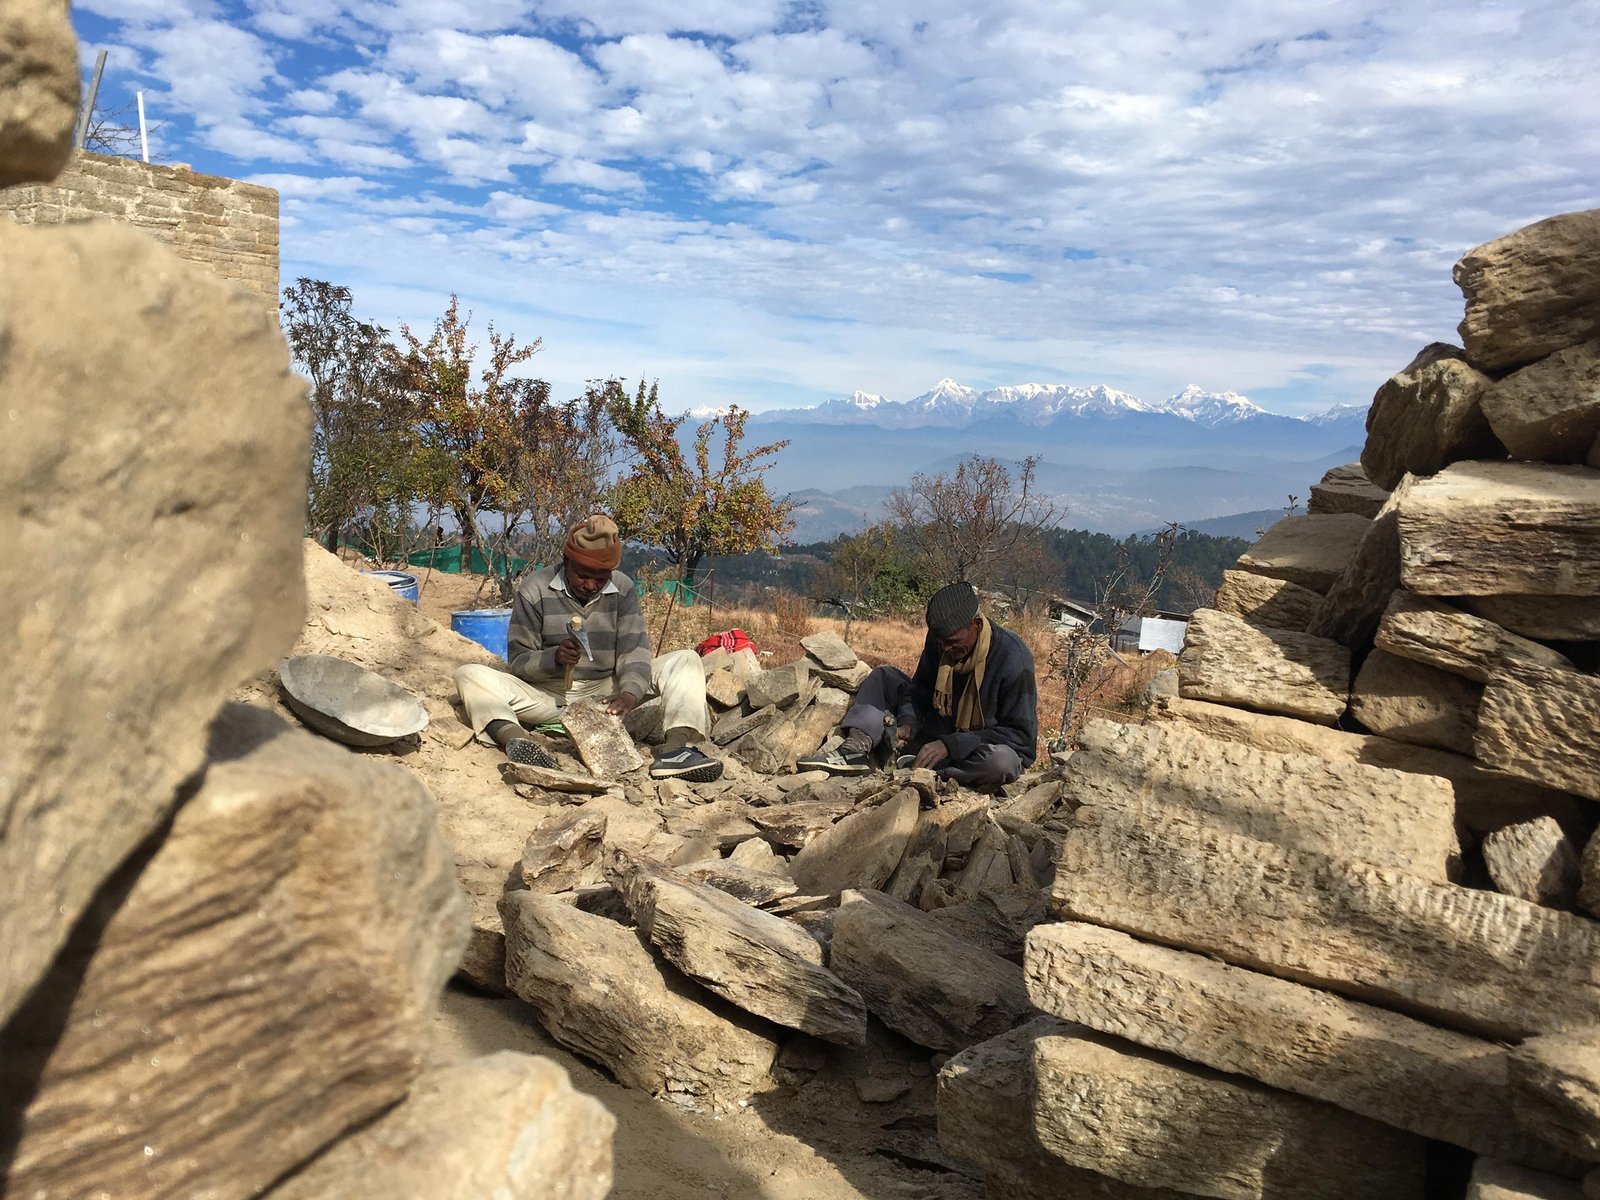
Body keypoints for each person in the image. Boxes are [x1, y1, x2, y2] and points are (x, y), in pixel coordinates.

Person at [452, 514, 724, 783]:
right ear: (566, 561)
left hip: (606, 694)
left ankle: (676, 751)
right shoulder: (535, 588)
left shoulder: (623, 589)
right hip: (548, 695)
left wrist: (630, 693)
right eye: (582, 575)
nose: (591, 585)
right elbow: (520, 661)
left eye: (601, 578)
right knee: (469, 675)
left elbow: (634, 650)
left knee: (686, 659)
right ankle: (517, 741)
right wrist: (554, 659)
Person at [797, 581, 1036, 787]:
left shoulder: (1013, 659)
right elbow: (920, 689)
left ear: (977, 625)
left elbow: (1021, 737)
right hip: (938, 727)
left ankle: (934, 772)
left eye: (953, 642)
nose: (945, 649)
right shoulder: (940, 641)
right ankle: (855, 750)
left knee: (1001, 763)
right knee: (884, 677)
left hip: (978, 746)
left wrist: (952, 745)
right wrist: (907, 723)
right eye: (940, 642)